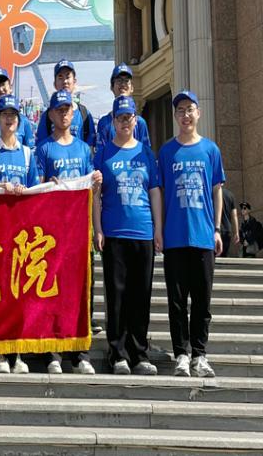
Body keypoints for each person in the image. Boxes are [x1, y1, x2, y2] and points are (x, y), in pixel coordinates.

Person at [158, 90, 226, 378]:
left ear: (198, 113)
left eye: (190, 109)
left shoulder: (211, 150)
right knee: (176, 302)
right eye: (180, 110)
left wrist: (217, 229)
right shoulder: (166, 152)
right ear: (175, 116)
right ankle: (182, 355)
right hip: (174, 237)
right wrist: (159, 231)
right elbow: (160, 194)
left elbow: (217, 191)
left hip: (203, 236)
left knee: (202, 301)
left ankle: (199, 354)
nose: (185, 115)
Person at [93, 95, 162, 376]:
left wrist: (158, 228)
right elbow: (96, 196)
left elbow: (154, 192)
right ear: (113, 121)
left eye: (128, 117)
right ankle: (118, 353)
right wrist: (98, 229)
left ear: (135, 120)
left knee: (140, 295)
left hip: (143, 232)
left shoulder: (146, 153)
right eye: (120, 117)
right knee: (117, 295)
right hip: (114, 233)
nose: (124, 122)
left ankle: (139, 353)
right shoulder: (103, 153)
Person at [35, 90, 100, 375]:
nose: (64, 114)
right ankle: (53, 352)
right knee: (53, 292)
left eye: (67, 110)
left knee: (83, 293)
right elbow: (36, 191)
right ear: (50, 115)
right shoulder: (43, 149)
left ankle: (80, 353)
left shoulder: (84, 150)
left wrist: (97, 228)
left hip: (81, 233)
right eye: (59, 110)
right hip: (52, 235)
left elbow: (92, 192)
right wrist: (48, 185)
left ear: (74, 114)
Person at [0, 95, 38, 374]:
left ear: (19, 120)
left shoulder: (27, 154)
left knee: (19, 295)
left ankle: (18, 354)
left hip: (21, 235)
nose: (9, 119)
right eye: (5, 114)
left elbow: (36, 191)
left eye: (13, 115)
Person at [36, 60, 96, 149]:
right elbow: (41, 147)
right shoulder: (47, 116)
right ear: (55, 84)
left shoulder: (84, 114)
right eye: (60, 77)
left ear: (74, 81)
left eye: (68, 77)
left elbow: (90, 149)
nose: (65, 81)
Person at [95, 64, 151, 150]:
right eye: (119, 81)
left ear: (132, 88)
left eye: (126, 81)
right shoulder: (104, 123)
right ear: (112, 87)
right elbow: (100, 154)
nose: (123, 84)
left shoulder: (140, 123)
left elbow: (146, 152)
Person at [219, 186, 239, 257]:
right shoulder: (230, 195)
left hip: (216, 230)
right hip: (227, 230)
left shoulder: (213, 193)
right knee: (224, 255)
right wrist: (236, 232)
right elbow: (235, 216)